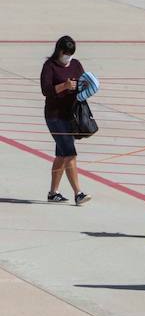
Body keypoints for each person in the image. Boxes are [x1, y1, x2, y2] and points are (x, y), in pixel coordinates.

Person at [40, 36, 90, 206]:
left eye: (70, 54)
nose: (67, 57)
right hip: (54, 116)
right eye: (65, 53)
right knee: (70, 153)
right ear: (59, 51)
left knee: (61, 155)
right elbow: (46, 90)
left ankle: (53, 193)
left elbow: (84, 82)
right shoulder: (50, 66)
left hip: (70, 115)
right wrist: (64, 86)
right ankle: (78, 193)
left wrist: (85, 87)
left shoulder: (76, 65)